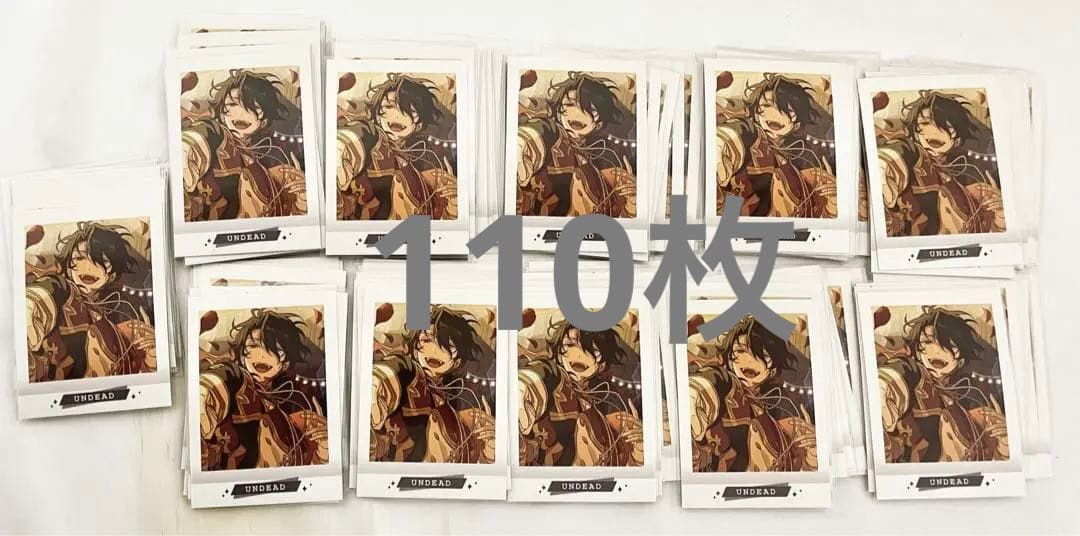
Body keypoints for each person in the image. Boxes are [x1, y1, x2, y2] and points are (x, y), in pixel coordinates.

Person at [199, 309, 329, 470]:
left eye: (276, 349)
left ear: (286, 363)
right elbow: (214, 384)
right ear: (241, 356)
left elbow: (306, 468)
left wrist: (324, 451)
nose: (262, 354)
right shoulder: (235, 378)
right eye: (253, 345)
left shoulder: (295, 409)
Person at [25, 222, 156, 381]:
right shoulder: (61, 289)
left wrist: (153, 358)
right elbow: (38, 300)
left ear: (112, 275)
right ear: (68, 268)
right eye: (80, 258)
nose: (88, 267)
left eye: (101, 260)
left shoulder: (122, 320)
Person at [877, 306, 1009, 463]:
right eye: (927, 341)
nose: (937, 350)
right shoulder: (913, 374)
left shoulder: (965, 405)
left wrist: (1005, 445)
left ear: (961, 358)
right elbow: (888, 383)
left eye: (950, 344)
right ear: (917, 352)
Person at [688, 315, 817, 472]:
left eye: (763, 355)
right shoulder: (724, 382)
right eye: (741, 351)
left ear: (773, 369)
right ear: (728, 359)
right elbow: (702, 389)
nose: (749, 360)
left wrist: (812, 458)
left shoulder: (780, 406)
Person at [369, 306, 497, 463]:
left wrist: (490, 452)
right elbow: (398, 368)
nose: (435, 350)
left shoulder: (458, 404)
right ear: (414, 349)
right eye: (426, 340)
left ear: (457, 361)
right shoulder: (410, 376)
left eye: (449, 345)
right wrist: (378, 380)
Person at [182, 69, 307, 221]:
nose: (241, 113)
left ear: (264, 121)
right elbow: (192, 144)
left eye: (253, 107)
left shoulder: (270, 163)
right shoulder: (214, 135)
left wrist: (302, 201)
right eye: (232, 104)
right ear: (221, 113)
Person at [518, 319, 644, 467]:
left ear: (602, 365)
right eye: (570, 345)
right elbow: (536, 377)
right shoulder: (554, 378)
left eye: (594, 350)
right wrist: (522, 389)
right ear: (559, 354)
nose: (579, 355)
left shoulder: (598, 411)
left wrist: (638, 454)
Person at [877, 91, 1004, 236]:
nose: (934, 131)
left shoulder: (967, 183)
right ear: (916, 134)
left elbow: (989, 236)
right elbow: (891, 159)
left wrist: (1001, 215)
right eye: (925, 123)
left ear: (957, 138)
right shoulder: (913, 154)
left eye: (945, 125)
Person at [337, 74, 458, 221]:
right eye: (388, 106)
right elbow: (351, 141)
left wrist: (453, 207)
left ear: (418, 124)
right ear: (377, 115)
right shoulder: (372, 136)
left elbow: (431, 223)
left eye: (410, 110)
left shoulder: (420, 167)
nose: (397, 115)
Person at [715, 73, 837, 219]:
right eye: (766, 105)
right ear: (756, 113)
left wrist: (833, 204)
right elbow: (723, 143)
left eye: (787, 110)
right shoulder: (748, 132)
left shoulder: (795, 164)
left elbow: (811, 219)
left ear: (797, 123)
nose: (774, 114)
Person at [516, 72, 637, 218]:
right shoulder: (553, 133)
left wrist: (632, 205)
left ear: (598, 124)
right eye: (569, 104)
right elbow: (535, 135)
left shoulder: (600, 159)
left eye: (590, 108)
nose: (577, 112)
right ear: (558, 111)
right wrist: (521, 145)